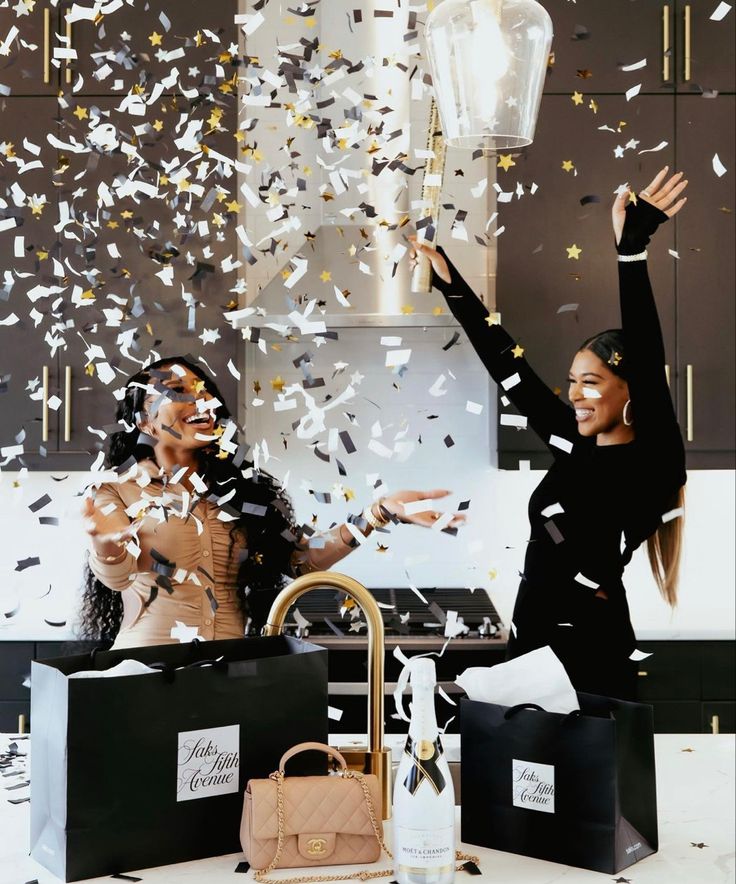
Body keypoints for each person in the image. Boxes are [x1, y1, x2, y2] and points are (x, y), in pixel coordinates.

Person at [408, 167, 688, 700]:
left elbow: (649, 361)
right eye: (572, 383)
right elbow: (509, 370)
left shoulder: (653, 463)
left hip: (589, 658)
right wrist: (452, 283)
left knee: (578, 783)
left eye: (592, 382)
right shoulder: (574, 444)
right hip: (530, 649)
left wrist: (631, 251)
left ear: (630, 392)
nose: (576, 395)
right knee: (527, 782)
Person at [79, 356, 465, 649]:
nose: (201, 399)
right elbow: (118, 576)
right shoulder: (117, 491)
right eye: (179, 391)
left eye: (204, 390)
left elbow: (299, 559)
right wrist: (106, 549)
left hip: (229, 673)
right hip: (148, 674)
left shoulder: (241, 488)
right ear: (144, 421)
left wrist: (377, 513)